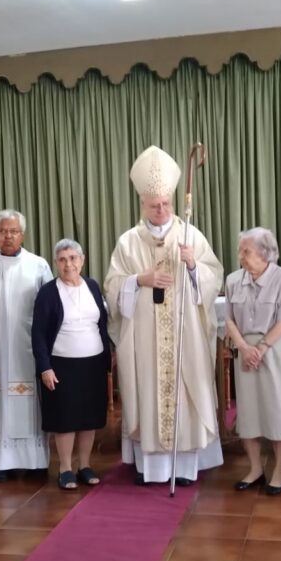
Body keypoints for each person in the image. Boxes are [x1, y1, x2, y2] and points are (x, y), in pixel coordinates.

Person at [104, 144, 223, 486]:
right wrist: (139, 280)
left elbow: (213, 277)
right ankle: (151, 468)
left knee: (185, 393)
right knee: (149, 392)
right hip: (144, 338)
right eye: (154, 205)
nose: (161, 210)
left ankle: (184, 467)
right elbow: (113, 286)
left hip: (184, 335)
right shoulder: (128, 243)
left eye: (166, 204)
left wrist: (192, 265)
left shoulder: (190, 236)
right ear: (142, 203)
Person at [0, 210, 53, 482]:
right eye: (2, 231)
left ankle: (36, 461)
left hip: (28, 348)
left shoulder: (38, 265)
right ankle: (2, 462)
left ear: (23, 234)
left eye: (13, 231)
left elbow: (50, 307)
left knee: (32, 404)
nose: (8, 236)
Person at [225, 228, 281, 495]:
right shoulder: (234, 280)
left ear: (265, 253)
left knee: (278, 410)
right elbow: (228, 320)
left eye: (246, 251)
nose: (241, 257)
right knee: (249, 413)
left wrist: (261, 348)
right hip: (245, 353)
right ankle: (255, 468)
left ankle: (279, 471)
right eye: (241, 251)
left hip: (275, 350)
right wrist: (245, 348)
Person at [31, 239, 110, 489]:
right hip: (61, 365)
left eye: (73, 258)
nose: (68, 264)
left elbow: (102, 323)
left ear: (82, 259)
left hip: (93, 363)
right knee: (65, 418)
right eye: (63, 259)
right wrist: (45, 367)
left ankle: (84, 465)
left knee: (89, 418)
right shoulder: (47, 292)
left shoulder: (93, 286)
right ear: (56, 263)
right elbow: (38, 334)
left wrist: (109, 356)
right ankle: (65, 468)